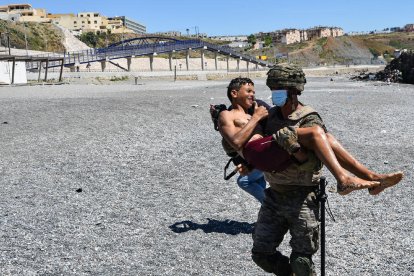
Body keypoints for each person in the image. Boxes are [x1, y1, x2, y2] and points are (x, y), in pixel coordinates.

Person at [218, 70, 403, 275]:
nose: (271, 94)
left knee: (302, 262)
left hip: (303, 196)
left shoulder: (307, 117)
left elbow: (313, 160)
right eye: (273, 89)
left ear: (294, 92)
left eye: (279, 90)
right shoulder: (268, 116)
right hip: (275, 194)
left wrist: (294, 149)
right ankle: (366, 178)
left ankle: (365, 179)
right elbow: (255, 146)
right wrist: (250, 163)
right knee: (261, 254)